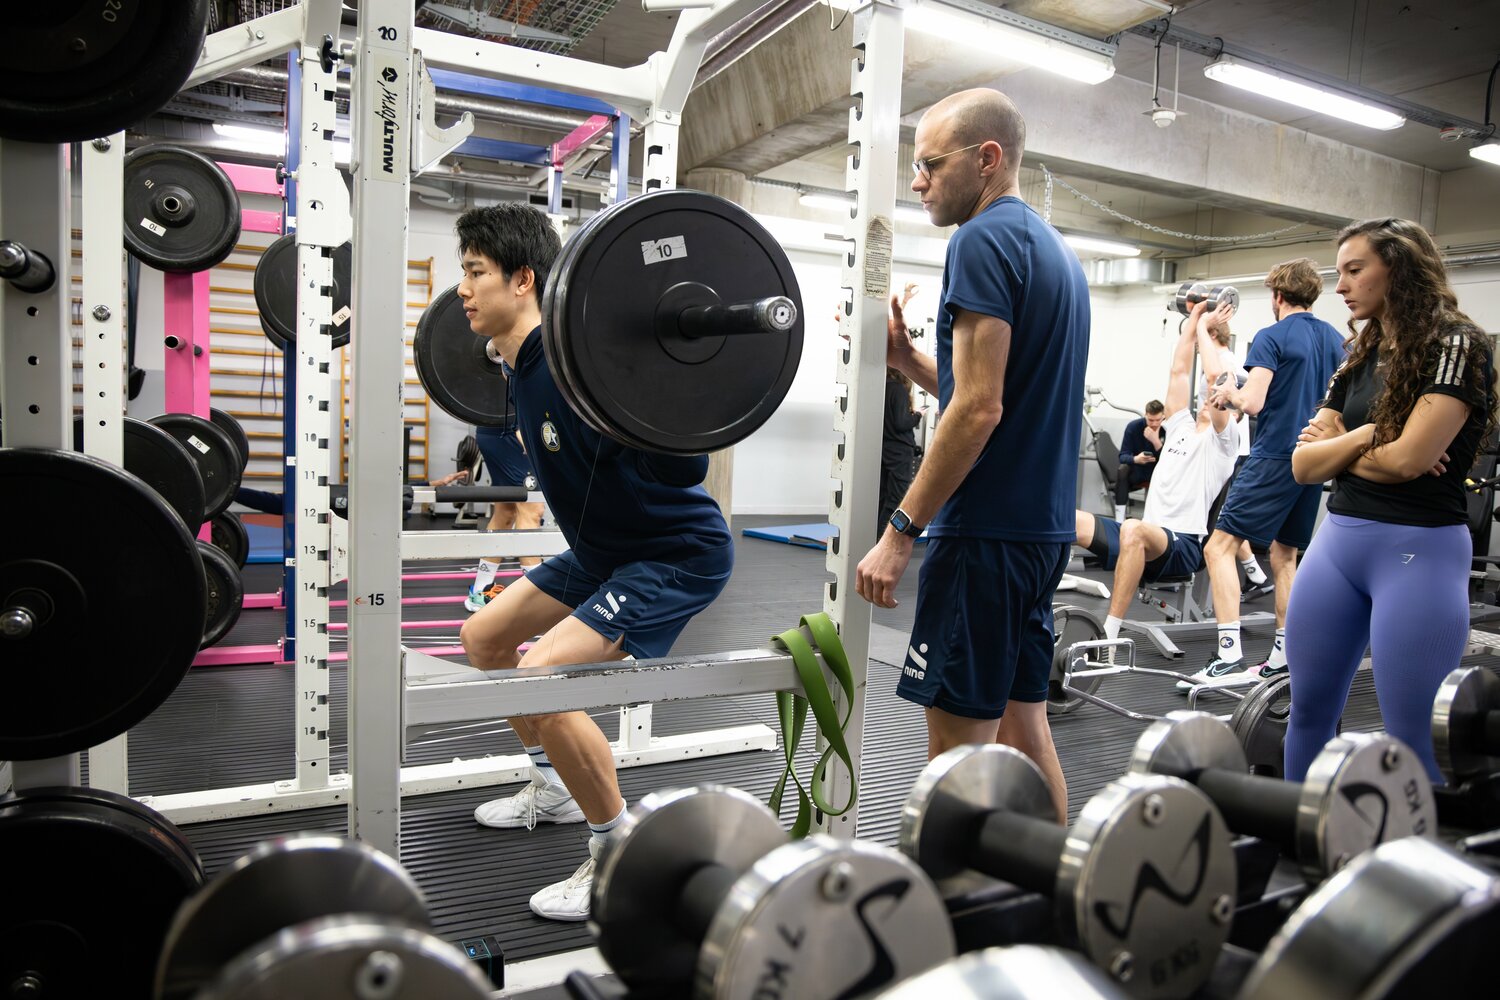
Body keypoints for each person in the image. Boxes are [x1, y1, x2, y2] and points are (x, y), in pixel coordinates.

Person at [453, 203, 733, 921]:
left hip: (672, 551)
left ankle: (617, 853)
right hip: (602, 547)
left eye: (473, 272)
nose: (461, 288)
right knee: (482, 638)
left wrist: (668, 417)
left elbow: (687, 458)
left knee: (540, 675)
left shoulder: (579, 362)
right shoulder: (516, 366)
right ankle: (551, 786)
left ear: (523, 280)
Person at [855, 88, 1089, 824]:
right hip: (1040, 535)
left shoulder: (979, 241)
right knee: (1024, 728)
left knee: (957, 759)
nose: (917, 180)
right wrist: (910, 361)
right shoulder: (1054, 252)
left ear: (986, 159)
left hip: (984, 536)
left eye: (929, 163)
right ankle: (1065, 883)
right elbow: (990, 392)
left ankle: (952, 922)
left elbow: (979, 408)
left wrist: (900, 532)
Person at [1285, 218, 1495, 783]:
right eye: (1340, 272)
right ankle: (1303, 841)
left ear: (1397, 268)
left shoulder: (1457, 343)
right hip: (1337, 545)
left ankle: (1412, 866)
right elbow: (1303, 466)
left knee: (1414, 735)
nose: (1342, 285)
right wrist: (1364, 436)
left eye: (1355, 270)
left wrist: (1349, 448)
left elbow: (1407, 462)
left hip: (1419, 551)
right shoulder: (1360, 351)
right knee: (1306, 712)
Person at [1180, 258, 1346, 690]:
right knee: (1284, 556)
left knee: (1219, 547)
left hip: (1275, 455)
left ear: (1277, 296)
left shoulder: (1271, 336)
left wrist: (1227, 393)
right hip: (1316, 457)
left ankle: (1229, 654)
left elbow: (1252, 402)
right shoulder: (1336, 339)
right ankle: (1283, 656)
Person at [1075, 300, 1238, 646]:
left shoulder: (1224, 441)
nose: (1208, 395)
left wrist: (1206, 331)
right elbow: (1178, 372)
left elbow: (1214, 378)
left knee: (1133, 529)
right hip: (1143, 540)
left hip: (1181, 545)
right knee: (1065, 520)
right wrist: (1193, 318)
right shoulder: (1179, 426)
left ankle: (1109, 636)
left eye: (1216, 394)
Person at [1193, 305, 1274, 601]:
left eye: (1199, 339)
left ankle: (1255, 574)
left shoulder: (1225, 362)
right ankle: (1256, 574)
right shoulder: (1228, 362)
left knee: (1223, 519)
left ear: (1212, 333)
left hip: (1229, 450)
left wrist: (1201, 323)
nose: (1196, 346)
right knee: (1224, 517)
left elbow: (1224, 390)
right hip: (1221, 445)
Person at [1114, 400, 1164, 521]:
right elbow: (1122, 456)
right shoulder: (1134, 427)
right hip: (1138, 470)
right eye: (1151, 420)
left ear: (1163, 416)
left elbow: (1171, 461)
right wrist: (1136, 459)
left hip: (1157, 471)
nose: (1154, 424)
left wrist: (1156, 442)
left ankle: (1153, 520)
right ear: (1145, 415)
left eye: (1158, 420)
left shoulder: (1167, 429)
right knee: (1122, 470)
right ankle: (1119, 519)